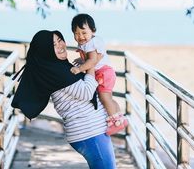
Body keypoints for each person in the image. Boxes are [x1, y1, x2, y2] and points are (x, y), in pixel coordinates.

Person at [11, 30, 116, 169]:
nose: (60, 45)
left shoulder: (58, 67)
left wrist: (86, 64)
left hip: (91, 131)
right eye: (54, 44)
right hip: (89, 132)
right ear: (46, 50)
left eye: (60, 40)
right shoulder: (57, 72)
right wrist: (90, 63)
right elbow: (86, 92)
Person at [70, 14, 128, 135]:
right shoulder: (90, 42)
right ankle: (120, 118)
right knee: (109, 98)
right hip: (106, 72)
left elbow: (92, 61)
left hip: (103, 74)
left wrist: (80, 68)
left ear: (93, 30)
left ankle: (116, 122)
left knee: (104, 98)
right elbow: (91, 59)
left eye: (84, 32)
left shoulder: (91, 43)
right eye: (76, 33)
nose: (80, 36)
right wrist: (82, 60)